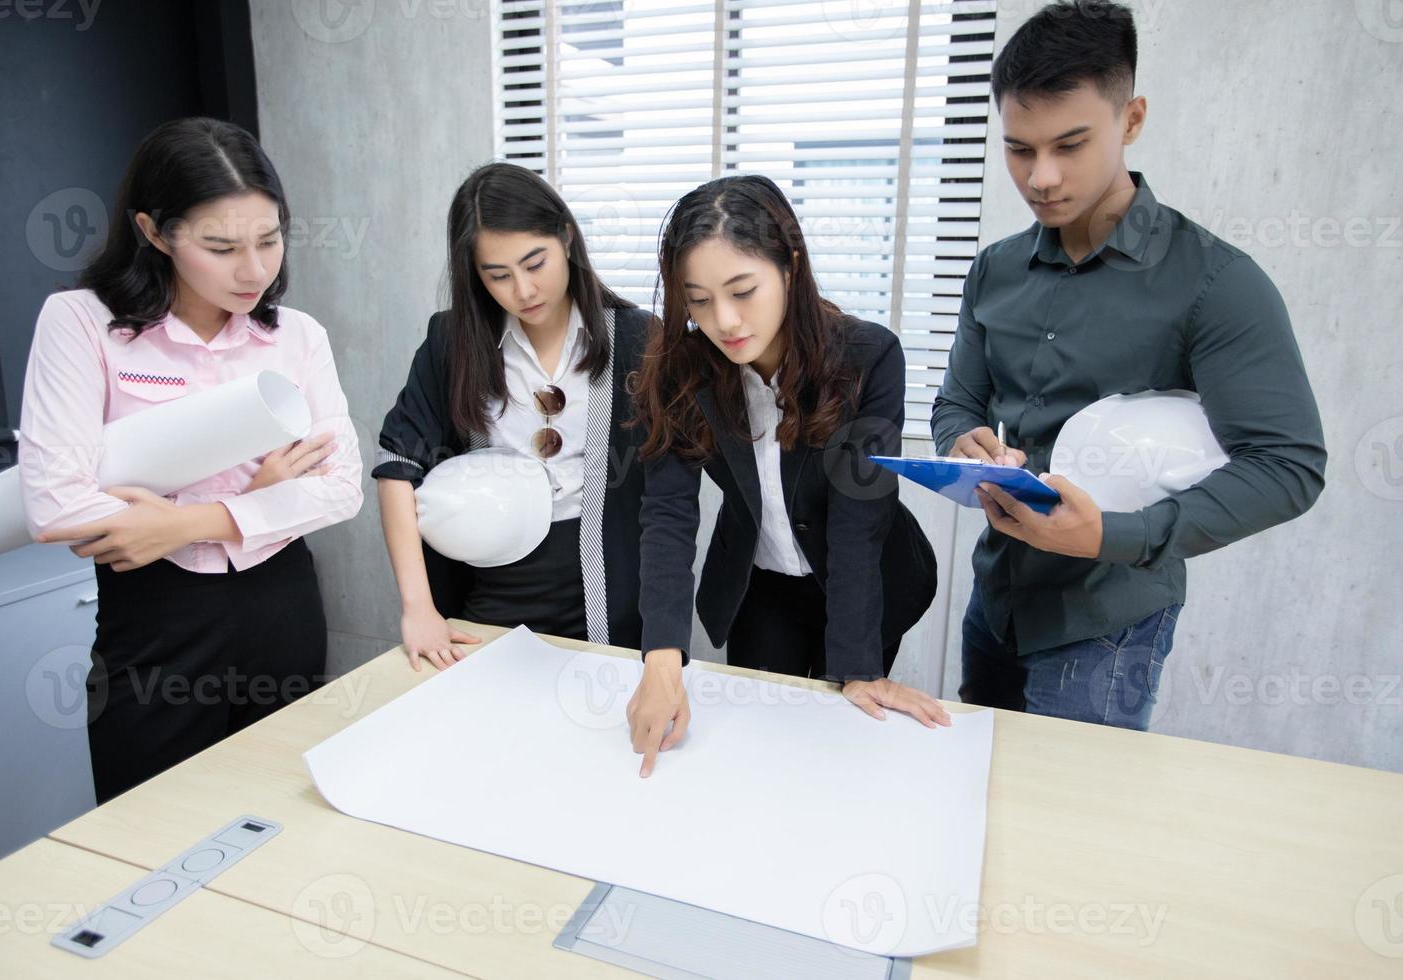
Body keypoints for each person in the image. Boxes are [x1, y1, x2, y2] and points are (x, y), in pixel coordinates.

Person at [931, 0, 1325, 730]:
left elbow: (1287, 465)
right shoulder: (994, 272)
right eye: (1019, 149)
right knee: (978, 802)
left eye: (1069, 144)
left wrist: (1115, 535)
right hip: (996, 601)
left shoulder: (1216, 282)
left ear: (1131, 119)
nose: (1041, 177)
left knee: (1074, 828)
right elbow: (957, 402)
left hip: (1106, 626)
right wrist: (963, 441)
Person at [22, 117, 363, 802]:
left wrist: (187, 522)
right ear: (154, 232)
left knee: (283, 811)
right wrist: (263, 497)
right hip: (157, 618)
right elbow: (58, 503)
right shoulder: (82, 322)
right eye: (220, 246)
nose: (255, 270)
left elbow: (341, 489)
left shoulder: (295, 336)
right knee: (149, 821)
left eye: (269, 240)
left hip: (281, 602)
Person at [625, 174, 949, 777]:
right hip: (760, 584)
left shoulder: (867, 356)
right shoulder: (682, 370)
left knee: (838, 749)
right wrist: (661, 659)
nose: (723, 321)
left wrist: (856, 667)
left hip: (861, 578)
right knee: (759, 751)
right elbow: (667, 512)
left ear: (790, 267)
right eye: (698, 299)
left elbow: (860, 519)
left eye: (743, 290)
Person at [373, 163, 651, 669]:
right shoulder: (452, 342)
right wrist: (418, 609)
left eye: (534, 262)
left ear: (566, 237)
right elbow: (397, 466)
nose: (522, 290)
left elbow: (670, 499)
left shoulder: (637, 340)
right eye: (497, 275)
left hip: (606, 591)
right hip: (490, 586)